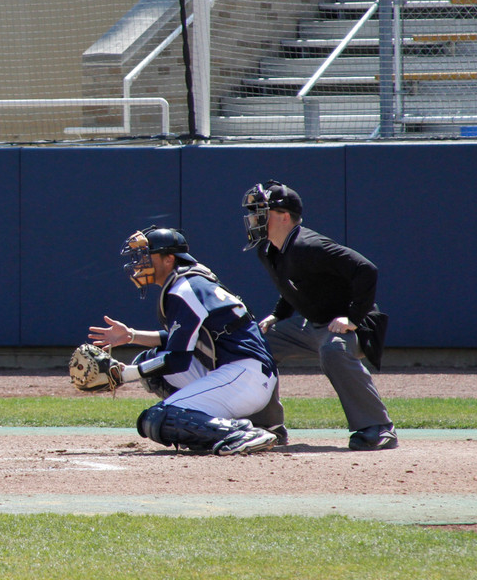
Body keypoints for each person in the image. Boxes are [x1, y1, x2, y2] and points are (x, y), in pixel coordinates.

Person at [87, 226, 281, 455]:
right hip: (245, 372)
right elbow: (187, 341)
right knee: (152, 362)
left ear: (169, 259)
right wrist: (132, 335)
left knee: (159, 418)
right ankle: (220, 427)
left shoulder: (183, 289)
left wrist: (124, 374)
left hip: (243, 376)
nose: (140, 263)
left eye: (147, 255)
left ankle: (239, 433)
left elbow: (178, 359)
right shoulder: (190, 282)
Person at [241, 180, 396, 451]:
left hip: (350, 324)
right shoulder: (268, 250)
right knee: (254, 346)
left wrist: (353, 318)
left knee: (333, 351)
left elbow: (366, 269)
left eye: (262, 211)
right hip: (311, 323)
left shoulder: (309, 245)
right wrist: (278, 316)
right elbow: (294, 285)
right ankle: (268, 426)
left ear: (284, 217)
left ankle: (378, 427)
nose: (255, 218)